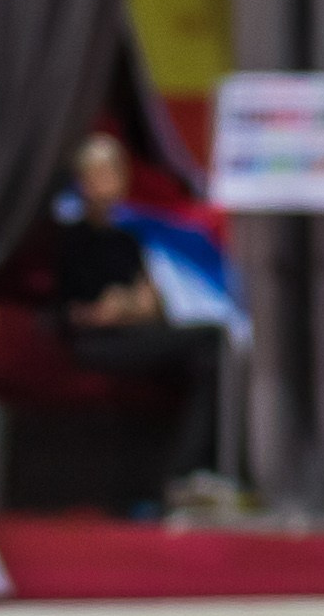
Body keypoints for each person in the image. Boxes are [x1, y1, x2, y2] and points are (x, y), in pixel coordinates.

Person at [55, 132, 225, 490]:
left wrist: (134, 306)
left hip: (132, 334)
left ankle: (192, 472)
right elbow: (72, 312)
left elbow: (150, 303)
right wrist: (111, 310)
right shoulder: (69, 239)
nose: (111, 182)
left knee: (212, 347)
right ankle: (184, 472)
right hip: (92, 341)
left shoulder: (128, 239)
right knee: (209, 342)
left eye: (116, 172)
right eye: (101, 173)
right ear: (83, 181)